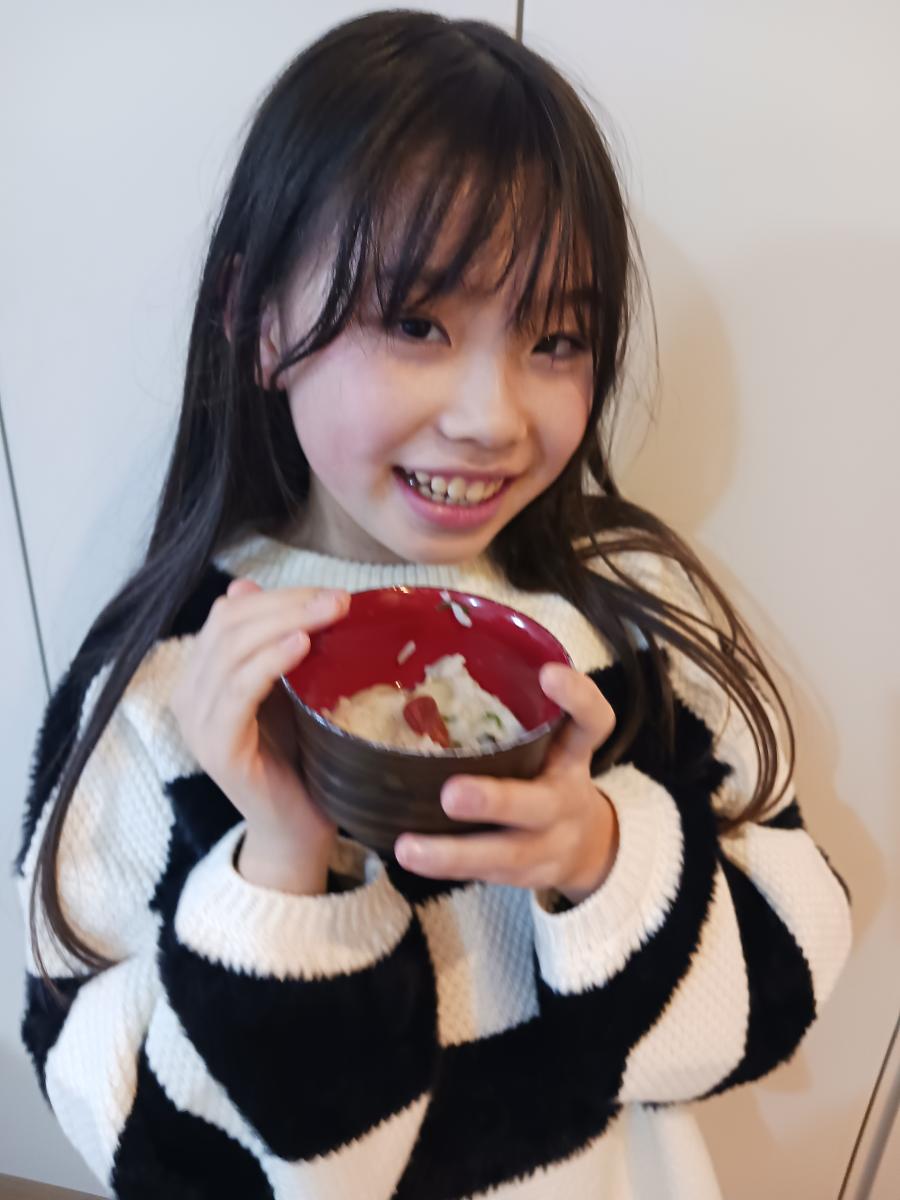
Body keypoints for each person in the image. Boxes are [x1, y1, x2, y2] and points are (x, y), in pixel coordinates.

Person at [16, 10, 852, 1199]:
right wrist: (281, 866)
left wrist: (601, 858)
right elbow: (144, 1145)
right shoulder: (169, 682)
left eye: (556, 339)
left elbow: (789, 971)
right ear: (260, 320)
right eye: (416, 323)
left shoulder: (630, 616)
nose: (490, 418)